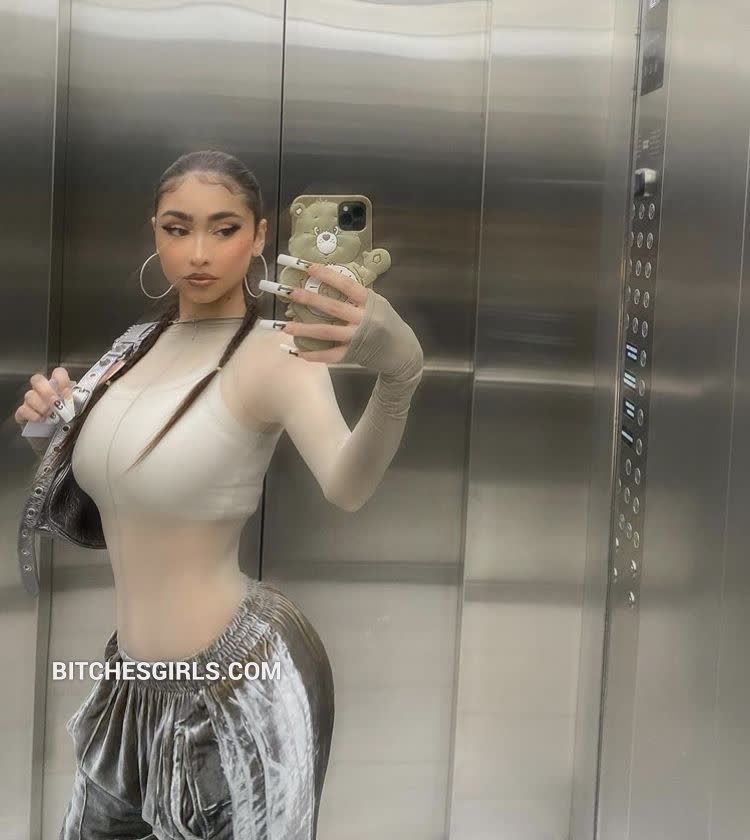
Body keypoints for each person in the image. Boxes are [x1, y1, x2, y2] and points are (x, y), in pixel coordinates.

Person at [13, 150, 424, 839]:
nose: (198, 252)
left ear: (260, 236)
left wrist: (400, 376)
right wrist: (51, 432)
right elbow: (122, 496)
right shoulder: (132, 348)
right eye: (178, 228)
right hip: (130, 685)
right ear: (154, 232)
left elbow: (347, 487)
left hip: (242, 685)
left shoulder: (277, 352)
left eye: (224, 228)